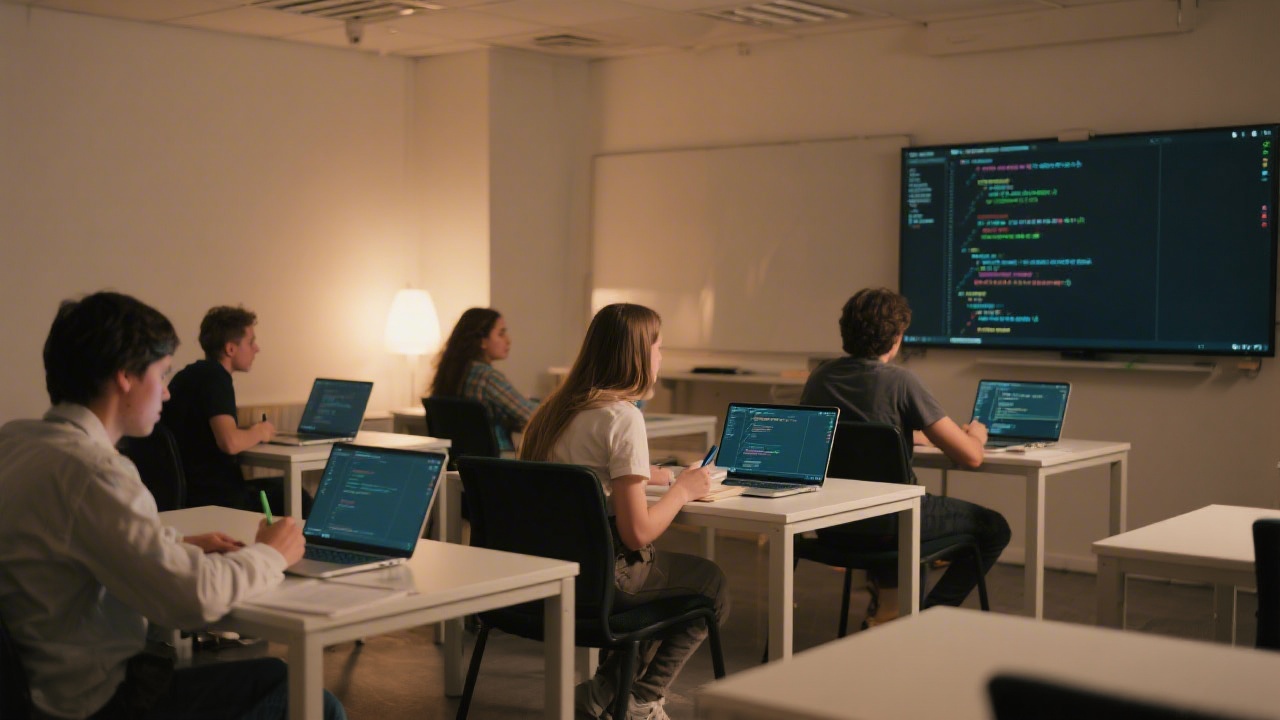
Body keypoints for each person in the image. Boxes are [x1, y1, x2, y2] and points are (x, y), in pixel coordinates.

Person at [0, 291, 345, 720]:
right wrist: (271, 553)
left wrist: (175, 545)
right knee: (306, 698)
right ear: (125, 374)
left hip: (27, 694)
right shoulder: (95, 472)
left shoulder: (15, 443)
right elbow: (194, 598)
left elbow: (64, 546)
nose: (166, 393)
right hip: (93, 705)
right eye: (162, 375)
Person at [520, 303, 728, 720]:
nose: (662, 357)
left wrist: (658, 475)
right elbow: (638, 533)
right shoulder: (623, 418)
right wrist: (684, 490)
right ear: (638, 355)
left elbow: (588, 473)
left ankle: (602, 691)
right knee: (710, 584)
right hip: (605, 582)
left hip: (551, 576)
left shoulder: (554, 412)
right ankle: (641, 699)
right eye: (659, 348)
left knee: (661, 588)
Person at [800, 287, 1011, 625]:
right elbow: (971, 457)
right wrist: (977, 434)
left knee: (899, 518)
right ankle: (927, 617)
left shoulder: (821, 377)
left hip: (831, 524)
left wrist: (906, 435)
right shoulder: (901, 382)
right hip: (891, 523)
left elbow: (852, 431)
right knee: (995, 528)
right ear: (896, 338)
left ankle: (890, 610)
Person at [162, 306, 305, 515]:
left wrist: (247, 431)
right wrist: (261, 431)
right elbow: (230, 442)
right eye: (250, 342)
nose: (257, 348)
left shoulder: (188, 375)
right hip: (217, 500)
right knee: (295, 495)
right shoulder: (216, 379)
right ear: (230, 349)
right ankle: (313, 548)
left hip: (181, 496)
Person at [430, 307, 537, 452]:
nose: (508, 340)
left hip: (463, 462)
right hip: (499, 461)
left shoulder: (453, 374)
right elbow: (532, 416)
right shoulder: (488, 377)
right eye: (501, 334)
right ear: (482, 341)